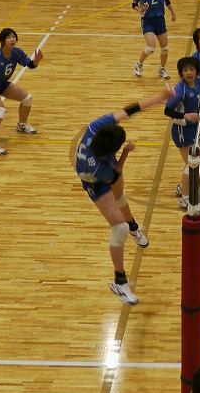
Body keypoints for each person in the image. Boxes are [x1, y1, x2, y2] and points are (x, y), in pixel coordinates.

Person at [71, 87, 172, 305]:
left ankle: (134, 227)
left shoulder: (96, 126)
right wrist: (125, 154)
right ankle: (119, 281)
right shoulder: (97, 166)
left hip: (104, 169)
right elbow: (114, 175)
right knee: (119, 227)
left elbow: (128, 110)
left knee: (121, 199)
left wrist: (159, 98)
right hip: (94, 183)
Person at [0, 27, 44, 155]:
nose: (12, 39)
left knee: (27, 98)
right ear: (2, 41)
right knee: (0, 111)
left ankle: (22, 125)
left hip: (1, 83)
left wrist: (36, 61)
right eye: (9, 37)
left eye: (14, 37)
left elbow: (30, 65)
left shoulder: (16, 52)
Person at [166, 56, 200, 209]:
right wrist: (185, 116)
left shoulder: (199, 83)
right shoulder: (179, 90)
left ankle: (183, 186)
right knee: (191, 163)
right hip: (182, 130)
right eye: (185, 70)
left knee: (193, 161)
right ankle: (184, 198)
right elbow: (167, 111)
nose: (189, 72)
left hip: (194, 128)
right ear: (180, 73)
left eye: (191, 69)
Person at [133, 0, 177, 79]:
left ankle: (162, 69)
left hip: (160, 20)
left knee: (165, 48)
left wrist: (173, 13)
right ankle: (138, 64)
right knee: (151, 47)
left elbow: (167, 1)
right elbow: (134, 5)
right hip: (147, 21)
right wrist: (140, 9)